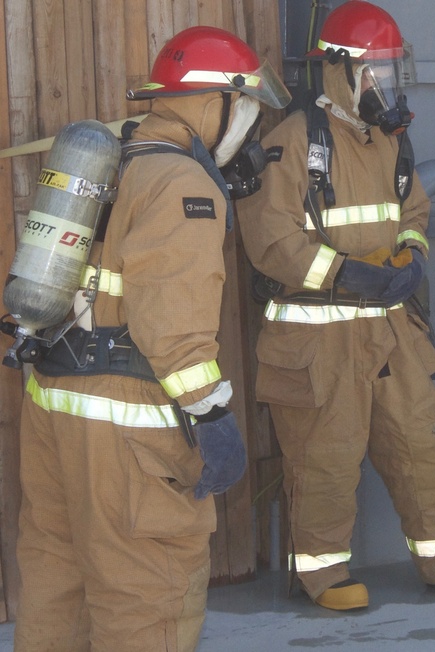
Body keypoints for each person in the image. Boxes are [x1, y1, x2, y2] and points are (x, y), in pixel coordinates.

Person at [11, 26, 291, 651]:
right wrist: (212, 413)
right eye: (245, 107)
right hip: (131, 426)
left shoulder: (113, 159)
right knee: (148, 595)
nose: (249, 126)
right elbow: (174, 324)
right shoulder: (181, 182)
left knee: (58, 582)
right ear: (213, 103)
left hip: (54, 404)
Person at [236, 0, 435, 611]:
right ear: (339, 73)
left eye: (392, 72)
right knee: (324, 462)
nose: (385, 86)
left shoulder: (390, 142)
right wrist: (348, 274)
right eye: (374, 72)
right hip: (318, 343)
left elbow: (415, 212)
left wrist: (411, 257)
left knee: (421, 449)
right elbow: (272, 241)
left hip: (391, 335)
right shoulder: (291, 142)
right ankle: (322, 574)